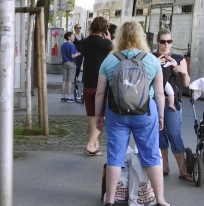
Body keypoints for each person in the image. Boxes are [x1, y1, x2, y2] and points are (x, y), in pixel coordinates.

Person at [94, 21, 169, 206]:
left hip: (116, 112)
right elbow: (160, 93)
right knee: (151, 155)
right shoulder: (151, 59)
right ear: (140, 36)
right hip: (145, 112)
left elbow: (100, 93)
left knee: (115, 156)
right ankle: (160, 200)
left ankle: (110, 200)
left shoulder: (110, 60)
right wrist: (160, 115)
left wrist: (98, 116)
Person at [155, 30, 192, 182]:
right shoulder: (151, 57)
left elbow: (186, 84)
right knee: (160, 134)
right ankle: (164, 166)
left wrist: (183, 72)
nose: (166, 45)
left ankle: (182, 169)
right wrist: (155, 65)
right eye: (163, 42)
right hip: (155, 100)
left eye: (169, 42)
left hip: (173, 102)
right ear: (157, 41)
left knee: (174, 134)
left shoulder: (178, 58)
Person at [79, 17, 114, 156]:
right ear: (105, 28)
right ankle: (90, 143)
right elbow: (115, 53)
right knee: (102, 116)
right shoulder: (105, 43)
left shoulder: (85, 42)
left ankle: (95, 145)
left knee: (91, 115)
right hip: (101, 84)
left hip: (87, 82)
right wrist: (109, 40)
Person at [60, 32, 81, 102]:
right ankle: (69, 97)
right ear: (69, 37)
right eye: (73, 36)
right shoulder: (72, 45)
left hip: (64, 63)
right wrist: (78, 54)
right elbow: (72, 56)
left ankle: (63, 96)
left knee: (64, 80)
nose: (74, 37)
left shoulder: (63, 45)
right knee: (70, 80)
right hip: (71, 63)